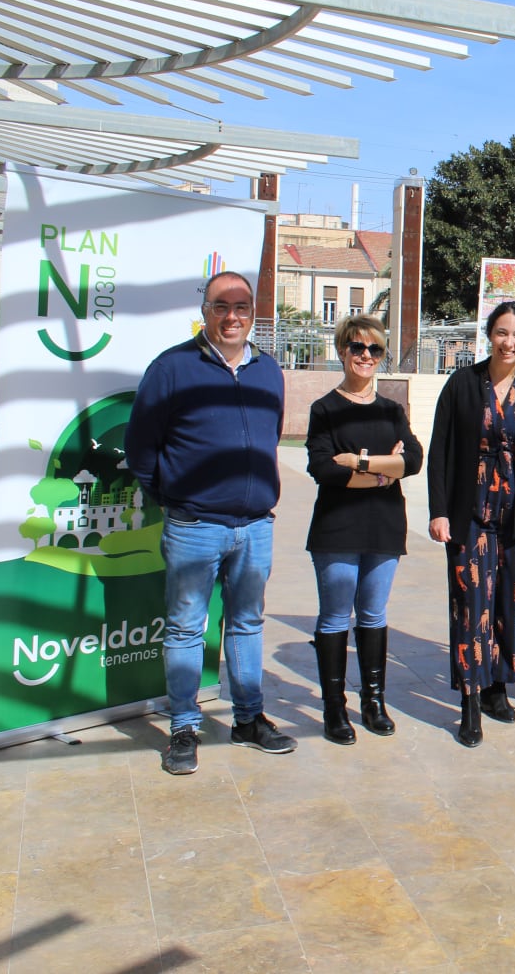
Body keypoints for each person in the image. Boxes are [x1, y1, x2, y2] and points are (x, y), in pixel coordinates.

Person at [125, 270, 295, 775]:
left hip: (255, 525)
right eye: (221, 306)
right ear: (205, 310)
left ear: (253, 313)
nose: (232, 316)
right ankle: (183, 726)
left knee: (246, 624)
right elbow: (141, 449)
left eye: (241, 307)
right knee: (184, 627)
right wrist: (178, 498)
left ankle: (247, 719)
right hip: (194, 524)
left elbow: (270, 435)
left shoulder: (269, 371)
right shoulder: (173, 368)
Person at [428, 301, 515, 747]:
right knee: (472, 609)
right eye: (502, 333)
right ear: (489, 335)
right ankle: (470, 703)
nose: (509, 342)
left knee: (512, 607)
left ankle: (496, 687)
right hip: (472, 516)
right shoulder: (462, 384)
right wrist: (439, 509)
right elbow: (440, 452)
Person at [304, 315, 424, 744]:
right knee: (336, 615)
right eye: (358, 347)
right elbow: (321, 468)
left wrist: (357, 463)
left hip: (384, 525)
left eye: (375, 349)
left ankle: (373, 702)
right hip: (337, 528)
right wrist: (383, 470)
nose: (366, 356)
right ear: (342, 351)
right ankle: (334, 709)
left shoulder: (393, 410)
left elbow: (412, 461)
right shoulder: (324, 409)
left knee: (373, 614)